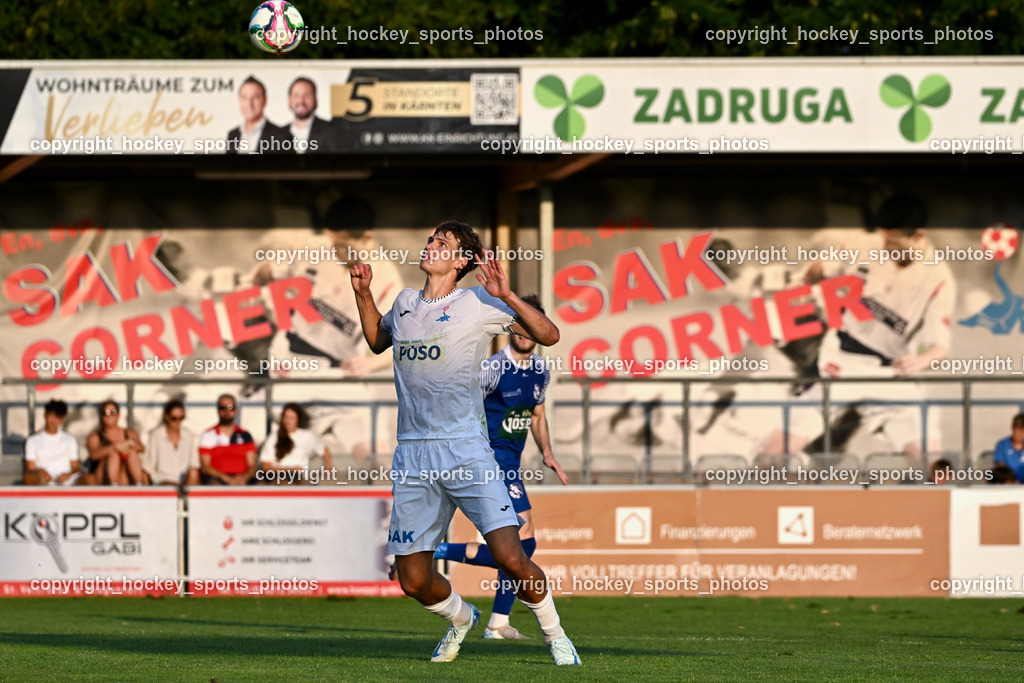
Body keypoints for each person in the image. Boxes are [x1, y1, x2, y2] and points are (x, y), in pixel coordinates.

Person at [351, 220, 580, 665]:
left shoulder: (476, 301)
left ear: (461, 262)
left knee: (512, 557)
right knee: (412, 579)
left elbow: (549, 335)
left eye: (443, 243)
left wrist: (508, 295)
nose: (431, 245)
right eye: (430, 239)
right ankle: (461, 618)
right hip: (414, 452)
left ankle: (555, 635)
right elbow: (378, 340)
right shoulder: (403, 303)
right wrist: (363, 293)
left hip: (466, 449)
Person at [431, 294, 570, 639]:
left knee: (520, 548)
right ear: (510, 328)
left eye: (531, 325)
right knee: (522, 544)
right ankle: (498, 622)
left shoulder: (540, 371)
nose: (524, 332)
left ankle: (494, 619)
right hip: (491, 461)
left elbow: (537, 415)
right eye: (518, 325)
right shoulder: (494, 368)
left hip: (511, 463)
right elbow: (463, 402)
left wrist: (548, 453)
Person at [800, 195, 956, 464]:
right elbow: (816, 272)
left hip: (891, 371)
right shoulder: (864, 245)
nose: (885, 247)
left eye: (893, 242)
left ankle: (944, 499)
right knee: (784, 438)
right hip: (839, 359)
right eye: (884, 238)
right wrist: (811, 278)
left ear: (919, 236)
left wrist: (918, 361)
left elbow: (939, 347)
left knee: (932, 459)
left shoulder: (939, 279)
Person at [253, 197, 403, 460]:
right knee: (280, 462)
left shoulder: (386, 277)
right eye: (332, 241)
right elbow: (265, 273)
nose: (334, 250)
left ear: (367, 237)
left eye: (342, 244)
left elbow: (408, 341)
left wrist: (369, 365)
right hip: (292, 366)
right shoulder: (312, 249)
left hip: (340, 374)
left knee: (378, 461)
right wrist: (258, 281)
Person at [260, 403, 334, 483]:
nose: (288, 421)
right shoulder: (274, 437)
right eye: (286, 417)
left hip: (298, 478)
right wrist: (289, 469)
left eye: (292, 418)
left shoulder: (307, 436)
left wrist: (328, 466)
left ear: (298, 420)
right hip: (277, 477)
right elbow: (265, 466)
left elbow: (324, 449)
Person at [198, 394, 259, 485]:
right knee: (215, 485)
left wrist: (244, 478)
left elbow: (252, 465)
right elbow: (205, 467)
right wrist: (227, 478)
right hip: (219, 478)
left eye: (230, 407)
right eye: (223, 407)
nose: (226, 411)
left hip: (242, 479)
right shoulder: (208, 435)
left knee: (263, 486)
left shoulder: (245, 435)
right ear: (218, 410)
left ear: (236, 410)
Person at [85, 400, 147, 485]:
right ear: (101, 415)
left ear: (118, 414)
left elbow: (142, 448)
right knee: (113, 455)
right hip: (103, 475)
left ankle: (138, 484)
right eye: (106, 412)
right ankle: (113, 485)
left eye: (113, 412)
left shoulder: (130, 433)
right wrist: (114, 447)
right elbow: (94, 455)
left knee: (132, 453)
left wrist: (129, 444)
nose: (109, 415)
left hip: (125, 474)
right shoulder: (95, 436)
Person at [143, 399, 201, 487]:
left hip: (184, 479)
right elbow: (149, 465)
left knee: (194, 473)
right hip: (163, 479)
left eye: (181, 418)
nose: (178, 422)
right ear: (166, 416)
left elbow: (194, 464)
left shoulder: (189, 436)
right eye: (174, 418)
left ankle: (192, 498)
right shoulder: (156, 435)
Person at [23, 399, 80, 486]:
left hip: (67, 481)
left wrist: (67, 475)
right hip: (42, 481)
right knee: (28, 476)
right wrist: (40, 471)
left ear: (62, 419)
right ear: (45, 415)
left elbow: (76, 467)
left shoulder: (70, 439)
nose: (54, 420)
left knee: (89, 479)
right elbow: (30, 469)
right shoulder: (32, 440)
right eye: (52, 416)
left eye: (58, 417)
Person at [226, 76, 288, 154]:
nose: (249, 104)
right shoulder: (233, 135)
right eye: (244, 97)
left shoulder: (282, 137)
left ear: (265, 100)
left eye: (255, 97)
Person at [286, 76, 335, 153]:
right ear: (289, 99)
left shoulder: (331, 131)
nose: (301, 100)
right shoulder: (279, 134)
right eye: (296, 95)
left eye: (307, 95)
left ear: (315, 99)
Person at [992, 413, 1024, 483]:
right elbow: (1001, 469)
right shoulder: (1002, 445)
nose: (1019, 434)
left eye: (1022, 432)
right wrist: (1012, 481)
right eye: (1017, 431)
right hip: (1009, 485)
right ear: (1012, 428)